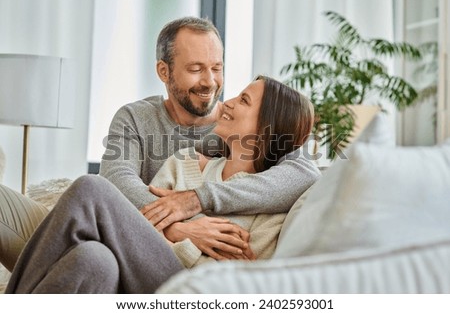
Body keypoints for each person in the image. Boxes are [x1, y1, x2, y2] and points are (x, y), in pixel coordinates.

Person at [0, 16, 319, 274]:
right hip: (112, 232)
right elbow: (117, 181)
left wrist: (194, 200)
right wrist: (183, 226)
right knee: (91, 255)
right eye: (195, 69)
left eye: (217, 68)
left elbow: (304, 172)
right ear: (163, 71)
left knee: (91, 215)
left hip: (150, 255)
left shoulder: (244, 131)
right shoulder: (135, 118)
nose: (210, 82)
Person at [6, 75, 315, 293]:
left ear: (266, 128)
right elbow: (134, 231)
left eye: (244, 100)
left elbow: (236, 280)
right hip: (137, 279)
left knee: (91, 189)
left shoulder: (271, 202)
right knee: (93, 261)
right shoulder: (184, 162)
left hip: (185, 291)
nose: (228, 101)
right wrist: (181, 230)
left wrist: (179, 233)